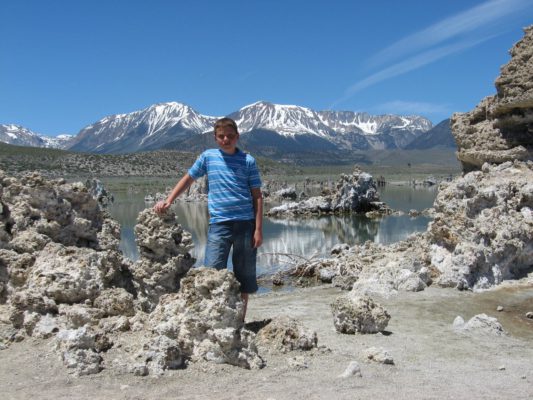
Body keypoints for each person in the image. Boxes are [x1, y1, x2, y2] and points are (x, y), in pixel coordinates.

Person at [154, 117, 263, 320]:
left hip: (245, 225)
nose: (226, 140)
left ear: (237, 137)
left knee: (244, 275)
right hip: (219, 224)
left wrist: (258, 229)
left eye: (230, 136)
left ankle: (240, 321)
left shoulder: (248, 161)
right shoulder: (208, 157)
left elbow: (257, 196)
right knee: (211, 272)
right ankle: (212, 320)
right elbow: (188, 178)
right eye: (221, 136)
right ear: (215, 138)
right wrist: (169, 200)